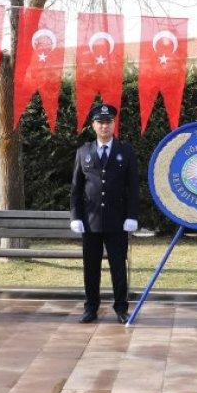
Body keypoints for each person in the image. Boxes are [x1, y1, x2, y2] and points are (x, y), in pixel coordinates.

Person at [69, 103, 140, 324]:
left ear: (114, 124)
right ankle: (91, 307)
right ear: (93, 125)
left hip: (117, 221)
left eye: (108, 122)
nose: (104, 126)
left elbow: (133, 187)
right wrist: (75, 217)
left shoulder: (125, 151)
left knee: (118, 267)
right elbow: (75, 190)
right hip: (90, 222)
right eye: (100, 122)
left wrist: (132, 216)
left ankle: (121, 308)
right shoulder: (83, 152)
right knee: (91, 268)